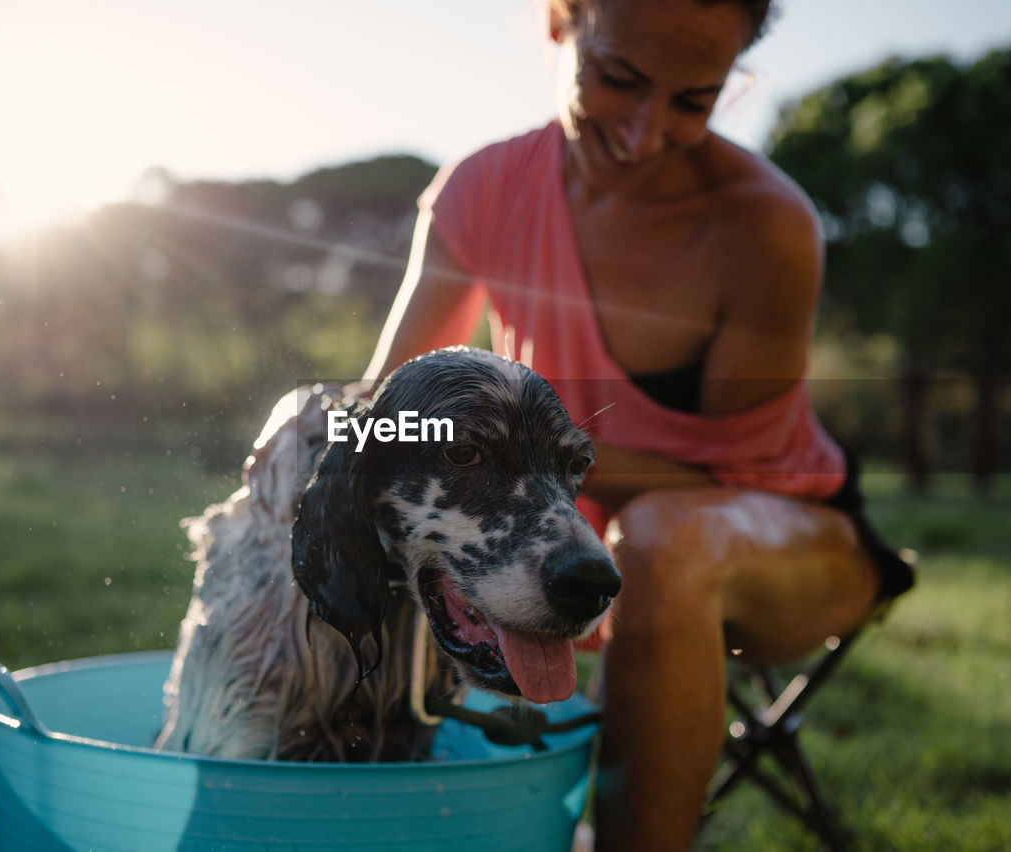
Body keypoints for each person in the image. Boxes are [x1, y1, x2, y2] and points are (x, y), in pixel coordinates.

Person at [362, 0, 909, 848]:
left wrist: (499, 447)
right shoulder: (481, 191)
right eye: (618, 79)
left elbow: (723, 481)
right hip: (568, 544)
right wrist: (321, 442)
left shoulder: (768, 226)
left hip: (789, 537)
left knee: (661, 541)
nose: (646, 134)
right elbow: (382, 412)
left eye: (695, 100)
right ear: (558, 27)